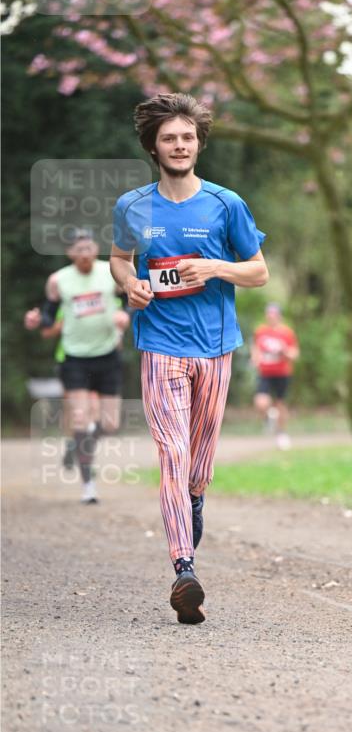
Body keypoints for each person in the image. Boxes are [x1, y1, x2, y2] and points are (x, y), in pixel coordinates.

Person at [110, 92, 269, 626]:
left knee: (198, 468)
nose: (179, 145)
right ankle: (184, 569)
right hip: (159, 346)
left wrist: (215, 269)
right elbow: (120, 258)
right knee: (173, 455)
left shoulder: (227, 204)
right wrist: (130, 283)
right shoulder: (132, 206)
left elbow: (259, 271)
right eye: (169, 138)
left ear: (199, 143)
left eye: (187, 137)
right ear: (153, 147)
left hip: (216, 348)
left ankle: (192, 506)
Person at [24, 231, 130, 502]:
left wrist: (125, 314)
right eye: (78, 248)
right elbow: (49, 315)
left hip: (108, 355)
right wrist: (38, 321)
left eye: (89, 247)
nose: (85, 253)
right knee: (81, 419)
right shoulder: (58, 280)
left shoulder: (111, 271)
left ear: (97, 248)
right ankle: (88, 486)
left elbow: (133, 299)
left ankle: (77, 445)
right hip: (75, 359)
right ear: (70, 253)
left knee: (109, 423)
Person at [251, 303, 300, 450]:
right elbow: (256, 349)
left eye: (274, 314)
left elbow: (295, 354)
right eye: (269, 314)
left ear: (279, 316)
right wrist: (255, 358)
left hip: (282, 373)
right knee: (261, 402)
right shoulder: (261, 331)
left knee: (280, 404)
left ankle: (281, 433)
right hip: (265, 373)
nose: (271, 317)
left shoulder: (287, 333)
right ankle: (268, 419)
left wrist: (284, 351)